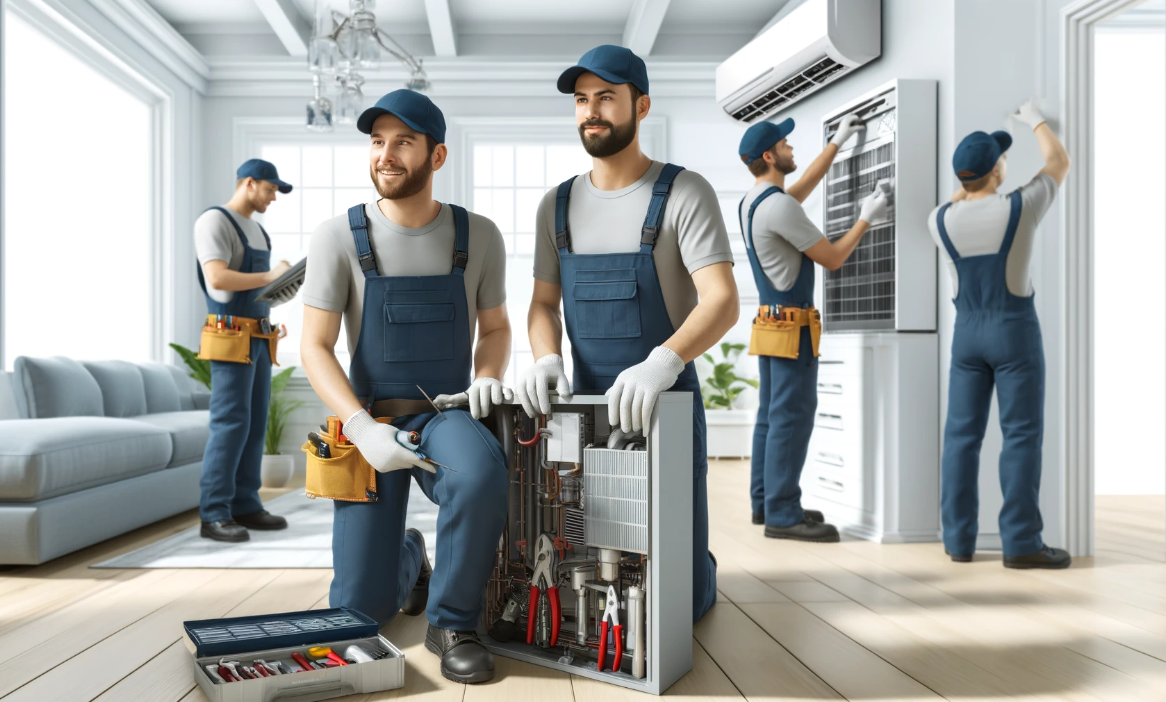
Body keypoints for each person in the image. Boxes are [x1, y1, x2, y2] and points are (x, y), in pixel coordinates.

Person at [518, 45, 740, 624]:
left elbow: (722, 300)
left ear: (641, 105)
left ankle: (698, 566)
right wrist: (545, 359)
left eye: (607, 98)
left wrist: (663, 361)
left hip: (663, 398)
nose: (592, 112)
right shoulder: (556, 206)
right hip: (583, 406)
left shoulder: (684, 193)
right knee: (586, 551)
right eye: (582, 100)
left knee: (680, 604)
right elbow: (542, 304)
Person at [299, 89, 513, 683]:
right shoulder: (339, 236)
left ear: (437, 156)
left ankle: (452, 621)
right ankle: (410, 558)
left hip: (444, 414)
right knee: (359, 618)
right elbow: (314, 346)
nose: (385, 155)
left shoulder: (479, 237)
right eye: (376, 141)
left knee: (480, 471)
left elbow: (494, 328)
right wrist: (362, 429)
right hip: (368, 420)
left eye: (403, 142)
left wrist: (486, 381)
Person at [930, 100, 1071, 569]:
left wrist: (968, 187)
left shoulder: (938, 220)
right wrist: (1034, 118)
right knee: (1021, 436)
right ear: (996, 171)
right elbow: (1058, 163)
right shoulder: (1020, 206)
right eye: (1003, 159)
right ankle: (1022, 544)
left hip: (966, 335)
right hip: (1013, 331)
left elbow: (957, 200)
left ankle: (958, 542)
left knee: (960, 439)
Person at [738, 115, 890, 543]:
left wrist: (837, 144)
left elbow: (800, 187)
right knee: (793, 417)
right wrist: (866, 218)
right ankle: (784, 515)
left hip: (770, 325)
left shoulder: (756, 200)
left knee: (771, 416)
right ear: (769, 155)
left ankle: (766, 501)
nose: (791, 148)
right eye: (785, 144)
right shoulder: (780, 206)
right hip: (794, 329)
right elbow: (834, 257)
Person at [195, 159, 298, 542]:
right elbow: (218, 278)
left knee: (254, 421)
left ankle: (246, 504)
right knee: (230, 424)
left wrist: (280, 288)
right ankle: (214, 513)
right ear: (249, 183)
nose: (273, 197)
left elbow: (255, 288)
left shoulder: (258, 231)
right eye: (271, 189)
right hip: (229, 334)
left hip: (258, 334)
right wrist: (270, 276)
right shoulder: (215, 222)